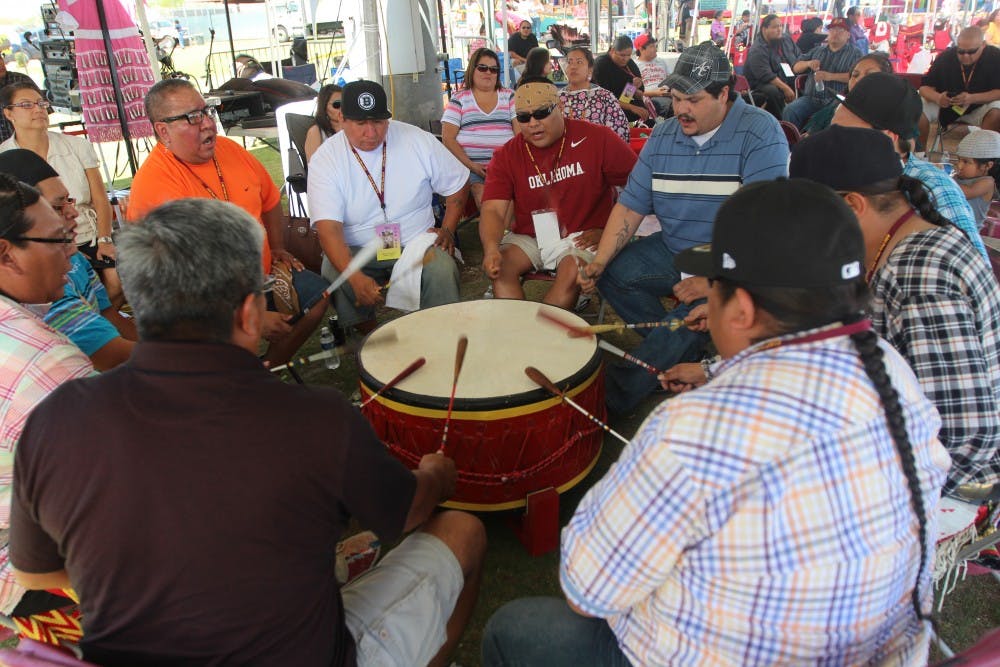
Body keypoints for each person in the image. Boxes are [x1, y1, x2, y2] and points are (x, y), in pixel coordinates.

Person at [483, 178, 951, 666]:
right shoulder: (893, 373)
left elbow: (588, 587)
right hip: (876, 651)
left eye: (715, 288)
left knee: (515, 629)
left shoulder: (694, 431)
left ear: (742, 309)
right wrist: (717, 368)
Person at [9, 197, 486, 666]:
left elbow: (37, 573)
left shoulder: (56, 420)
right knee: (462, 530)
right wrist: (437, 475)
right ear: (248, 313)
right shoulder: (317, 419)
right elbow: (408, 511)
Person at [578, 43, 789, 414]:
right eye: (675, 98)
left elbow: (767, 228)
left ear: (724, 94)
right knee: (614, 273)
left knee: (690, 314)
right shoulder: (663, 135)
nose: (680, 110)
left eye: (691, 100)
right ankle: (688, 347)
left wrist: (715, 282)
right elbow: (630, 206)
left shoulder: (760, 133)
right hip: (674, 247)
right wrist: (601, 260)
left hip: (734, 262)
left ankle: (612, 398)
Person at [790, 125, 1000, 493]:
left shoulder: (919, 272)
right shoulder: (898, 243)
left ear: (853, 205)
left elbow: (962, 439)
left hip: (951, 485)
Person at [127, 78, 328, 367]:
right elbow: (182, 285)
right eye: (192, 118)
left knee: (316, 297)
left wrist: (278, 247)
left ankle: (265, 371)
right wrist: (251, 319)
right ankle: (238, 380)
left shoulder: (229, 150)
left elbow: (270, 200)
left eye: (206, 111)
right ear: (163, 131)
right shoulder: (156, 186)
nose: (207, 124)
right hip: (202, 307)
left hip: (259, 279)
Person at [0, 173, 92, 623]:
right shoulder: (48, 363)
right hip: (25, 581)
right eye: (57, 240)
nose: (72, 252)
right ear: (6, 254)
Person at [308, 80, 469, 333]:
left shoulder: (415, 139)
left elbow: (457, 183)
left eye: (379, 122)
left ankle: (440, 335)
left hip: (416, 241)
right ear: (342, 118)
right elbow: (328, 229)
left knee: (441, 268)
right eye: (361, 124)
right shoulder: (326, 159)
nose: (371, 133)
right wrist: (354, 276)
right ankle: (370, 339)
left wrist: (448, 229)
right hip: (359, 247)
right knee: (333, 269)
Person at [480, 77, 637, 309]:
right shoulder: (507, 155)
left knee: (571, 270)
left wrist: (608, 230)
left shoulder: (598, 138)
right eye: (524, 117)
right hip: (531, 236)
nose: (533, 123)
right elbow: (492, 208)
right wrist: (491, 248)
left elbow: (640, 189)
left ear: (560, 107)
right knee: (500, 268)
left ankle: (545, 335)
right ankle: (517, 332)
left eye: (542, 113)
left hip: (582, 235)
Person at [0, 149, 135, 370]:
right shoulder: (36, 288)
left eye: (68, 199)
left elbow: (112, 319)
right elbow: (112, 355)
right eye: (57, 206)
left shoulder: (74, 260)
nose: (73, 212)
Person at [832, 71, 988, 260]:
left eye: (844, 134)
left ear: (888, 139)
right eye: (832, 130)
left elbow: (971, 267)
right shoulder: (837, 173)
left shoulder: (935, 188)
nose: (831, 141)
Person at [1, 81, 122, 308]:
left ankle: (102, 325)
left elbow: (100, 199)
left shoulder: (76, 146)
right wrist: (65, 248)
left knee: (115, 281)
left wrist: (105, 240)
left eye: (41, 103)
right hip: (43, 244)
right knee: (72, 290)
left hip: (90, 236)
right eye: (27, 105)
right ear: (8, 113)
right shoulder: (5, 159)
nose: (38, 110)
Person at [441, 48, 517, 209]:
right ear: (472, 69)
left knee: (511, 201)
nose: (488, 72)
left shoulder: (510, 96)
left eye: (493, 69)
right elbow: (448, 138)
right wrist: (472, 165)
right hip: (471, 169)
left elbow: (520, 135)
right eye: (482, 68)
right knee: (484, 197)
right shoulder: (459, 99)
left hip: (507, 168)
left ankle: (504, 233)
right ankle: (500, 232)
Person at [918, 27, 1000, 147]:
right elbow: (924, 88)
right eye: (961, 51)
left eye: (971, 51)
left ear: (983, 45)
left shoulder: (995, 57)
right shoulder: (946, 57)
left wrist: (972, 98)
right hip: (946, 106)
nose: (966, 56)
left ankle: (983, 159)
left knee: (997, 111)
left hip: (981, 106)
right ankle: (918, 156)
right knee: (918, 108)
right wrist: (938, 98)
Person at [783, 17, 862, 129]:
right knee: (790, 110)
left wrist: (830, 76)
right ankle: (790, 142)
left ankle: (807, 138)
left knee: (822, 120)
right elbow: (795, 67)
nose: (835, 33)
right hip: (811, 98)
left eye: (840, 30)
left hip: (836, 101)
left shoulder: (855, 54)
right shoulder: (817, 51)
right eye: (832, 30)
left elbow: (859, 77)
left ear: (848, 35)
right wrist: (808, 64)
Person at [802, 50, 891, 134]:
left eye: (870, 74)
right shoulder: (835, 108)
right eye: (855, 75)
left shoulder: (891, 119)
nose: (859, 79)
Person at [559, 46, 630, 141]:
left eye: (579, 62)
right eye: (569, 62)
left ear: (590, 70)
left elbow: (619, 134)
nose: (573, 66)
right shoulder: (556, 98)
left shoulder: (605, 96)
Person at [745, 14, 802, 119]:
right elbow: (766, 75)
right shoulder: (758, 49)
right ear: (764, 29)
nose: (779, 29)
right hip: (761, 83)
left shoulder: (786, 39)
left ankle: (801, 120)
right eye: (775, 27)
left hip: (786, 77)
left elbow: (799, 57)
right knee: (773, 91)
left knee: (803, 82)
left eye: (780, 26)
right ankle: (783, 122)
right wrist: (786, 88)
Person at [593, 35, 649, 123]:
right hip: (607, 108)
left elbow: (634, 95)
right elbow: (606, 99)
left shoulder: (630, 63)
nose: (625, 59)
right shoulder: (601, 65)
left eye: (628, 55)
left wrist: (635, 89)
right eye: (622, 55)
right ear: (612, 51)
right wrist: (632, 107)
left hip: (626, 105)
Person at [954, 129, 1000, 227]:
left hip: (968, 233)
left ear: (987, 165)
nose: (959, 165)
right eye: (959, 160)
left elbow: (964, 193)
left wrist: (942, 178)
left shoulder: (987, 183)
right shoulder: (959, 177)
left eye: (966, 162)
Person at [632, 34, 671, 116]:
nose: (655, 49)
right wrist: (654, 93)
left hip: (668, 94)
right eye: (652, 47)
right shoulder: (634, 65)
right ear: (642, 49)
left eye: (655, 46)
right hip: (650, 99)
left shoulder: (661, 61)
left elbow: (671, 79)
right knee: (671, 106)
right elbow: (629, 93)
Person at [304, 83, 343, 163]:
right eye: (337, 105)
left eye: (345, 104)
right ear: (324, 107)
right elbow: (314, 166)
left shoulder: (351, 127)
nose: (342, 109)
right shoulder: (315, 131)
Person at [0, 58, 33, 144]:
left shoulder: (20, 80)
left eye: (0, 57)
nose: (0, 63)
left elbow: (42, 111)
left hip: (27, 145)